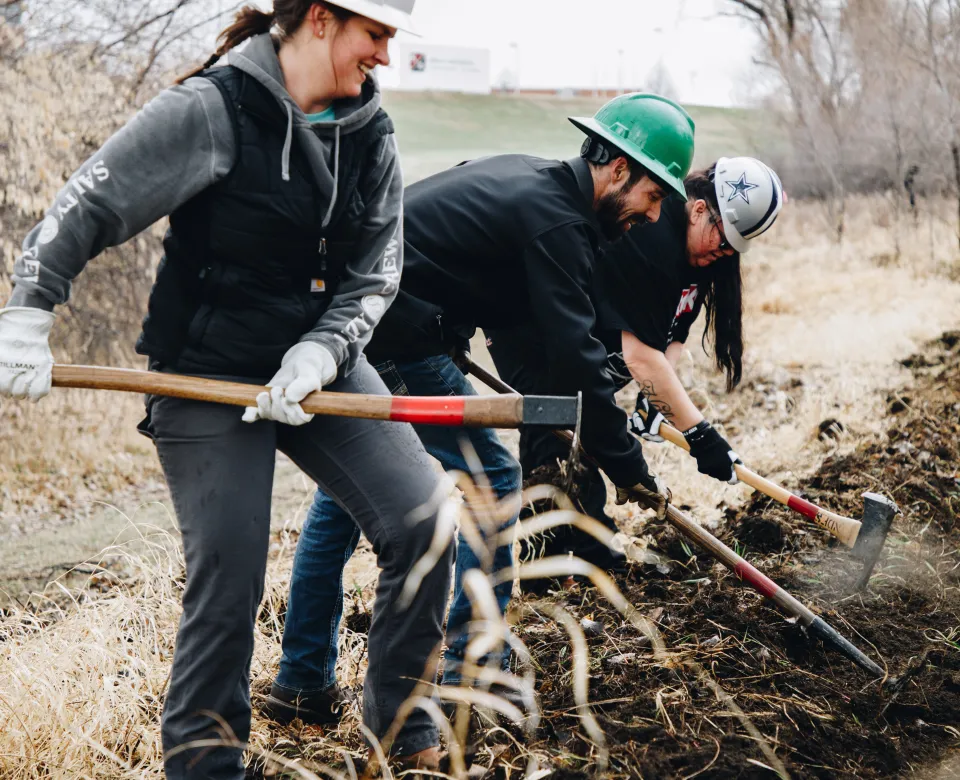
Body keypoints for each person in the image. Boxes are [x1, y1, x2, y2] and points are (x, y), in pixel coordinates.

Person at [0, 2, 456, 777]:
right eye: (375, 33)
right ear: (320, 18)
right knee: (231, 566)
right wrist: (28, 308)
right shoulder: (215, 108)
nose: (385, 53)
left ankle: (404, 734)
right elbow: (93, 198)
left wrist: (319, 352)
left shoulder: (370, 133)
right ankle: (206, 764)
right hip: (205, 374)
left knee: (426, 518)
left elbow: (377, 272)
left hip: (317, 374)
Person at [271, 92, 696, 717]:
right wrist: (627, 466)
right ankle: (472, 672)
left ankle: (302, 682)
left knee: (339, 500)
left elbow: (543, 329)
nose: (656, 216)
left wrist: (574, 415)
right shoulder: (556, 220)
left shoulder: (539, 186)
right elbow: (578, 359)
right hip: (391, 334)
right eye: (654, 196)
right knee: (492, 481)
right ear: (619, 169)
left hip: (364, 321)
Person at [487, 157, 785, 567]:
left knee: (586, 436)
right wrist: (699, 435)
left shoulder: (700, 256)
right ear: (700, 210)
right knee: (556, 438)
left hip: (590, 345)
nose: (726, 252)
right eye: (724, 239)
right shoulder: (655, 237)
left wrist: (656, 400)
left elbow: (673, 331)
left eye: (735, 247)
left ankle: (587, 557)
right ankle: (551, 571)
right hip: (534, 330)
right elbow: (641, 357)